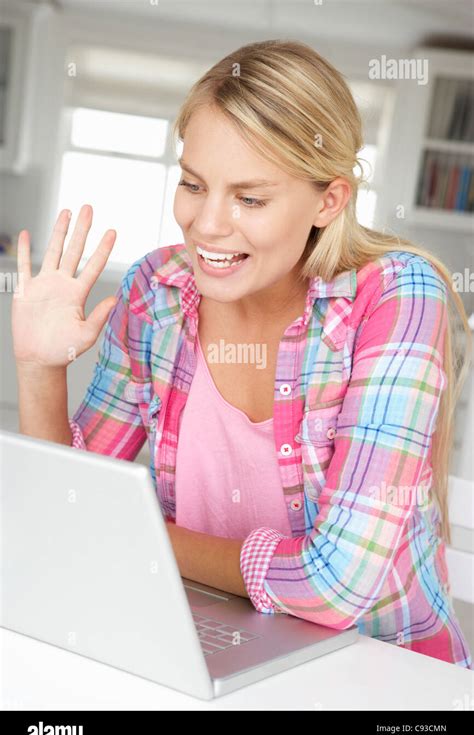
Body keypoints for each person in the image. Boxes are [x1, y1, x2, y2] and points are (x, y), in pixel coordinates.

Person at [12, 40, 472, 669]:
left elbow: (337, 585)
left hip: (382, 670)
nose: (206, 224)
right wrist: (40, 368)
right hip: (201, 644)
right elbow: (66, 513)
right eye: (194, 184)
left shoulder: (392, 296)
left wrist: (136, 537)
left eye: (250, 199)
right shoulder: (157, 293)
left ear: (328, 201)